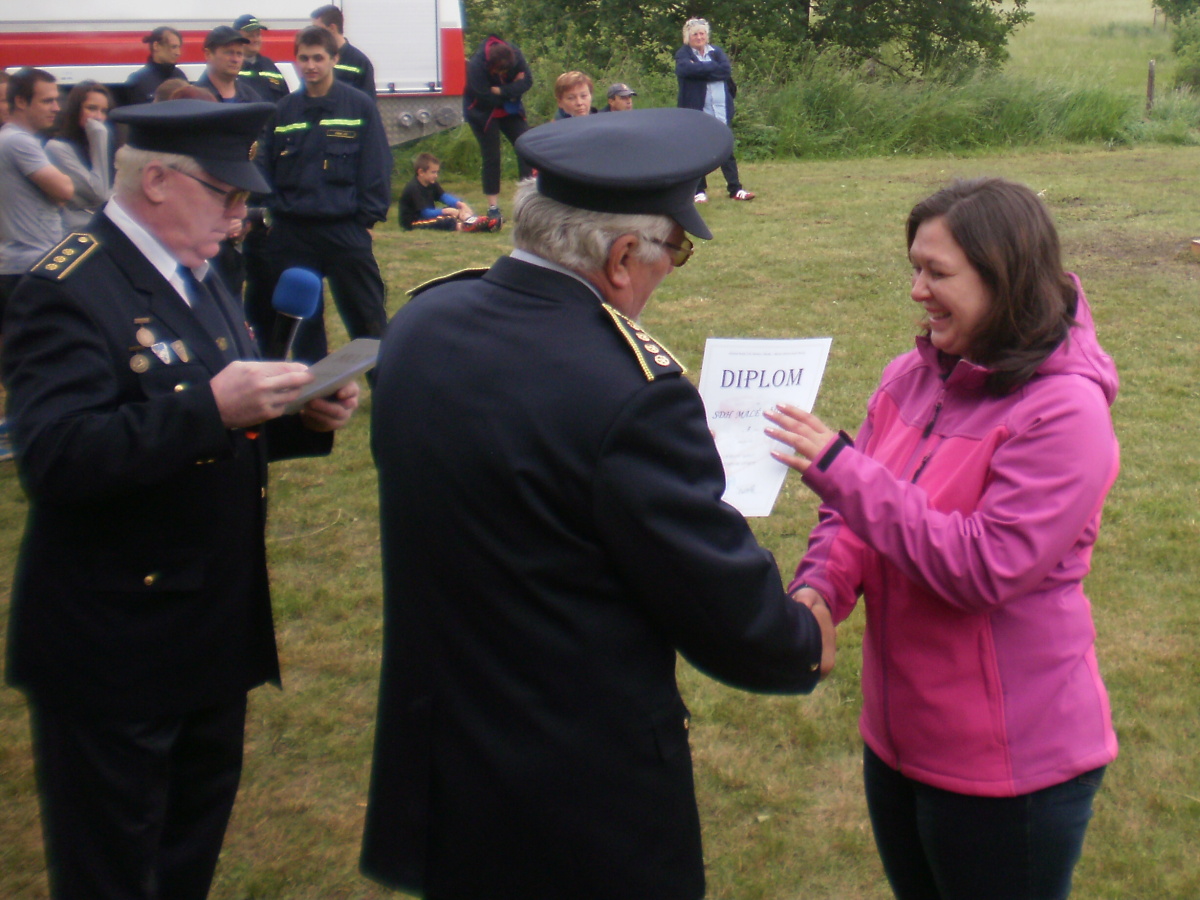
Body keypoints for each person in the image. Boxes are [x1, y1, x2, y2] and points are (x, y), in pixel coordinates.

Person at [360, 108, 835, 900]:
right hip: (578, 804)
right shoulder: (632, 394)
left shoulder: (420, 325)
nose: (670, 269)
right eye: (675, 250)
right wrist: (800, 638)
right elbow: (720, 606)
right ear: (620, 258)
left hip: (443, 771)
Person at [2, 98, 359, 900]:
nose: (239, 218)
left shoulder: (200, 273)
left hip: (209, 629)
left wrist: (296, 415)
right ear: (157, 181)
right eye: (225, 196)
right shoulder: (69, 288)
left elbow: (208, 423)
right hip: (117, 645)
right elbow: (55, 458)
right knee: (115, 868)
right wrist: (212, 409)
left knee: (187, 854)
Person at [765, 177, 1119, 900]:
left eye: (938, 273)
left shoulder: (1064, 413)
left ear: (1004, 279)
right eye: (915, 269)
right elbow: (853, 519)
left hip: (1009, 769)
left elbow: (983, 567)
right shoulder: (911, 376)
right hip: (898, 743)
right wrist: (820, 588)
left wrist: (840, 468)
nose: (917, 291)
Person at [257, 25, 391, 364]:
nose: (311, 66)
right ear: (296, 60)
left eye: (318, 58)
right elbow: (264, 168)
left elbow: (375, 166)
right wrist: (272, 214)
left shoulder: (358, 107)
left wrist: (367, 220)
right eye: (304, 58)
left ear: (334, 59)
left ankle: (386, 384)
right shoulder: (283, 111)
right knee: (302, 328)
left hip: (344, 229)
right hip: (293, 233)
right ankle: (315, 390)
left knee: (369, 321)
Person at [0, 68, 72, 314]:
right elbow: (65, 190)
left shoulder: (10, 139)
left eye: (56, 100)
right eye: (47, 101)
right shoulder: (19, 141)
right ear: (21, 101)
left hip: (20, 266)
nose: (56, 108)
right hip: (31, 265)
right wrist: (62, 185)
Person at [675, 17, 755, 202]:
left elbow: (725, 70)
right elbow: (685, 70)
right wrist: (711, 69)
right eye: (695, 34)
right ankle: (698, 191)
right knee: (698, 150)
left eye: (702, 33)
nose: (699, 37)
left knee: (726, 150)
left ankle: (735, 189)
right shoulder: (683, 54)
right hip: (697, 111)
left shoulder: (716, 52)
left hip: (721, 110)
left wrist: (700, 69)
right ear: (688, 36)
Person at [463, 35, 533, 221]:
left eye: (506, 71)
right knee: (492, 156)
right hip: (481, 111)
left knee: (527, 147)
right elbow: (484, 96)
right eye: (499, 71)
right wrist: (513, 87)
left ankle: (526, 202)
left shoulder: (515, 54)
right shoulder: (477, 65)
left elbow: (527, 82)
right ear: (491, 65)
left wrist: (501, 90)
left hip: (510, 110)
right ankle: (493, 207)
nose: (502, 74)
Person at [45, 81, 115, 232]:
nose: (99, 117)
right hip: (75, 232)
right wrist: (99, 136)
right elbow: (99, 194)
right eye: (92, 108)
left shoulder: (101, 145)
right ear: (76, 109)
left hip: (102, 228)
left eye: (104, 111)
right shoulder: (57, 148)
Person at [399, 152, 500, 232]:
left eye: (437, 172)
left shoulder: (431, 183)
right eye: (433, 172)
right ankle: (468, 227)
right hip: (414, 222)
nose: (436, 175)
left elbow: (443, 196)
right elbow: (425, 213)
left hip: (426, 216)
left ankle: (477, 221)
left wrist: (460, 204)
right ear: (421, 172)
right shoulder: (413, 188)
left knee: (454, 211)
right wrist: (446, 211)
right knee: (447, 220)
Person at [311, 4, 376, 98]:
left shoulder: (359, 62)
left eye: (317, 29)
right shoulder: (315, 59)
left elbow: (368, 102)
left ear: (332, 28)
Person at [125, 26, 187, 106]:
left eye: (179, 47)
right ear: (156, 46)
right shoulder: (138, 81)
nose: (178, 53)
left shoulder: (180, 76)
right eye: (173, 47)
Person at [195, 26, 259, 103]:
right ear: (208, 54)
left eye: (239, 54)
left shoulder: (251, 97)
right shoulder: (194, 98)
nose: (235, 60)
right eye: (229, 53)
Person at [234, 14, 290, 102]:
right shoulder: (232, 67)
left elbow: (286, 100)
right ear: (237, 38)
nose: (256, 39)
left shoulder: (269, 66)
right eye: (250, 35)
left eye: (258, 35)